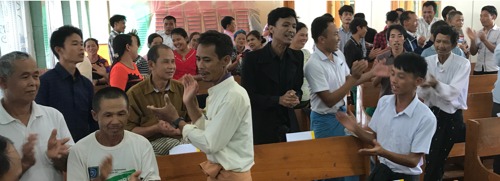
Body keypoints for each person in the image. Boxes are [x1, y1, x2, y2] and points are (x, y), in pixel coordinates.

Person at [148, 30, 254, 180]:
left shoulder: (233, 95)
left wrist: (177, 120)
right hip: (219, 172)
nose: (200, 66)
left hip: (232, 175)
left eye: (207, 60)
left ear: (225, 60)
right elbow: (208, 130)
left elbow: (209, 143)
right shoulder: (217, 91)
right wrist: (189, 103)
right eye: (198, 59)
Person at [337, 53, 437, 181]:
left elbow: (413, 160)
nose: (394, 80)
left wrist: (383, 152)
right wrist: (355, 128)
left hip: (405, 177)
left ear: (418, 81)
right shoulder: (384, 102)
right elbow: (374, 137)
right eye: (393, 73)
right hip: (382, 172)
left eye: (401, 76)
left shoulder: (425, 117)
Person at [0, 51, 74, 181]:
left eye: (36, 76)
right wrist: (23, 165)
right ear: (3, 82)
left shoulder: (53, 115)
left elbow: (72, 165)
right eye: (25, 77)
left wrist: (58, 158)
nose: (33, 83)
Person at [67, 87, 160, 181]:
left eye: (121, 114)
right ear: (94, 115)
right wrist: (100, 179)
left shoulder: (142, 144)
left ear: (129, 113)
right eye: (108, 115)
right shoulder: (79, 151)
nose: (115, 121)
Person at [241, 7, 304, 144]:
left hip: (289, 123)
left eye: (294, 26)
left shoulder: (297, 56)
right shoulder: (252, 59)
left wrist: (295, 96)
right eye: (285, 25)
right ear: (271, 29)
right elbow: (248, 96)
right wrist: (278, 100)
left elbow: (298, 88)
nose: (291, 30)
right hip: (263, 125)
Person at [419, 25, 470, 181]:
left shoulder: (462, 64)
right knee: (432, 158)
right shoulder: (427, 61)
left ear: (454, 45)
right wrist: (427, 86)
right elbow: (420, 92)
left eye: (445, 42)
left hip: (451, 117)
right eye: (438, 41)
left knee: (437, 159)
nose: (441, 46)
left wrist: (433, 84)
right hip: (430, 114)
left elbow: (451, 94)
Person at [126, 44, 197, 155]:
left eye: (173, 61)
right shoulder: (135, 93)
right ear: (151, 65)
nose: (171, 66)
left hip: (180, 141)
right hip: (149, 145)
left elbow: (195, 121)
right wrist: (156, 128)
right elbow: (128, 131)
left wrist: (179, 129)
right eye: (165, 62)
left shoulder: (182, 89)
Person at [36, 25, 97, 142]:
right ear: (59, 49)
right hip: (56, 147)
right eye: (75, 44)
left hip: (84, 146)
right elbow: (40, 120)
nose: (81, 48)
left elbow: (92, 119)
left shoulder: (85, 84)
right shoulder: (45, 83)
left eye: (81, 44)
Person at [372, 25, 407, 97]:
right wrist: (380, 74)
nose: (396, 40)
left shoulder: (411, 59)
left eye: (400, 36)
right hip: (386, 99)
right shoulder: (381, 58)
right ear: (388, 41)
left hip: (406, 99)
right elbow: (374, 83)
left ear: (404, 39)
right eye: (393, 36)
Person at [467, 5, 500, 75]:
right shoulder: (479, 33)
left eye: (485, 16)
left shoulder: (499, 31)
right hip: (478, 69)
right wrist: (472, 40)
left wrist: (485, 40)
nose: (482, 18)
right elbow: (473, 53)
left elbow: (498, 51)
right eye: (481, 16)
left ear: (493, 17)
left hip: (493, 69)